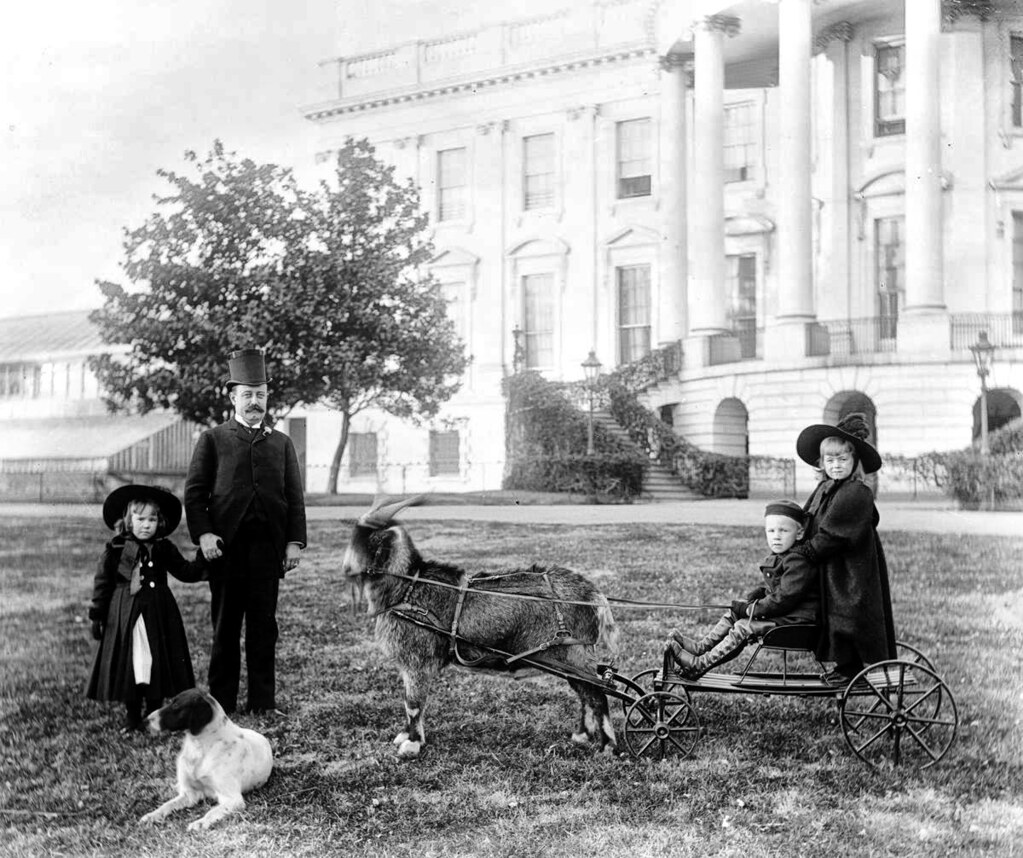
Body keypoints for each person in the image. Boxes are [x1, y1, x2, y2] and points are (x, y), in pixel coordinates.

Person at [184, 348, 307, 717]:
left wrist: (293, 541)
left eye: (261, 394)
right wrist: (204, 535)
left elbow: (294, 498)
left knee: (263, 629)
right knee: (225, 630)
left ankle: (262, 703)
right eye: (248, 394)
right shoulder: (213, 439)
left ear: (268, 397)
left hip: (266, 553)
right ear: (233, 397)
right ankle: (220, 704)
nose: (255, 402)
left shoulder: (281, 443)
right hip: (225, 551)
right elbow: (194, 494)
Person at [86, 484, 211, 732]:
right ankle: (132, 718)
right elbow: (103, 584)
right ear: (128, 520)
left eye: (152, 519)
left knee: (155, 660)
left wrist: (203, 557)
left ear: (160, 522)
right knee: (132, 662)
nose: (146, 525)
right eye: (140, 518)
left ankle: (153, 714)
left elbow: (185, 572)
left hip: (158, 613)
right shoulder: (115, 549)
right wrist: (97, 616)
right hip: (125, 614)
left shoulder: (164, 548)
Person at [794, 412, 897, 685]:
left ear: (855, 462)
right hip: (832, 567)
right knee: (832, 615)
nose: (836, 465)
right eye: (830, 460)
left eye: (843, 459)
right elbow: (807, 519)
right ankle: (844, 666)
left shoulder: (855, 492)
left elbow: (833, 536)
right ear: (821, 463)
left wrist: (806, 553)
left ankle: (851, 670)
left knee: (846, 616)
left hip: (850, 570)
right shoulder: (825, 488)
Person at [665, 499, 820, 679]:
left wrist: (749, 609)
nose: (776, 536)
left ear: (799, 533)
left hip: (796, 621)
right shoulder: (784, 556)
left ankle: (698, 665)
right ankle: (701, 649)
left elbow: (784, 598)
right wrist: (760, 593)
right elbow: (779, 587)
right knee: (733, 615)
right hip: (784, 615)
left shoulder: (798, 561)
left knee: (743, 626)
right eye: (771, 531)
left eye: (783, 531)